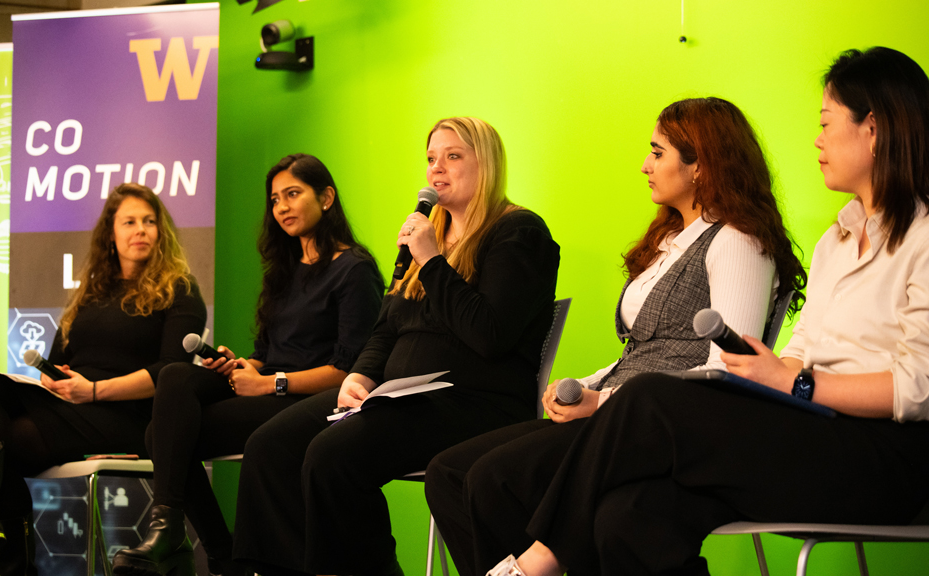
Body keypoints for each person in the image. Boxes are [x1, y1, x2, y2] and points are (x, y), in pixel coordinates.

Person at [487, 46, 929, 576]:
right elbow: (800, 355)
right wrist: (771, 375)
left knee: (650, 397)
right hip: (810, 434)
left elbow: (917, 387)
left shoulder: (923, 237)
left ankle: (537, 563)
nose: (817, 138)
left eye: (826, 122)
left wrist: (797, 385)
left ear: (873, 128)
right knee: (627, 515)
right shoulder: (837, 240)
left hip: (885, 459)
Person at [425, 97, 808, 576]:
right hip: (618, 408)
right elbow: (643, 350)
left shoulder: (736, 241)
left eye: (658, 152)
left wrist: (605, 403)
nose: (644, 165)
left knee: (492, 479)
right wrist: (588, 385)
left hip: (662, 429)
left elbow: (726, 372)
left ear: (701, 166)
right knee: (449, 472)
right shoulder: (671, 239)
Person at [231, 117, 561, 576]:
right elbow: (386, 326)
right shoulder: (429, 233)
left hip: (473, 401)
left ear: (485, 163)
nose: (436, 169)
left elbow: (490, 333)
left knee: (332, 457)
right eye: (430, 159)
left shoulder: (518, 231)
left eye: (452, 156)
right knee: (272, 445)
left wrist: (431, 261)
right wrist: (359, 376)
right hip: (399, 393)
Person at [111, 154, 384, 576]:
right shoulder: (285, 270)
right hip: (268, 388)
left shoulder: (354, 270)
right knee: (176, 377)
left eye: (293, 194)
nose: (282, 208)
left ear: (326, 197)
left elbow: (350, 371)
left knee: (160, 434)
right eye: (275, 199)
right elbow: (265, 352)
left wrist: (270, 382)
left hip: (312, 399)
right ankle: (183, 534)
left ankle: (217, 553)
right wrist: (240, 365)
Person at [0, 183, 206, 576]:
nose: (141, 230)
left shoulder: (180, 290)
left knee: (11, 445)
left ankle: (4, 546)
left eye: (150, 222)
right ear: (111, 234)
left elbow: (172, 374)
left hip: (134, 416)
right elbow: (60, 360)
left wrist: (95, 390)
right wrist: (54, 379)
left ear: (161, 231)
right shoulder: (91, 293)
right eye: (130, 221)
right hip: (75, 405)